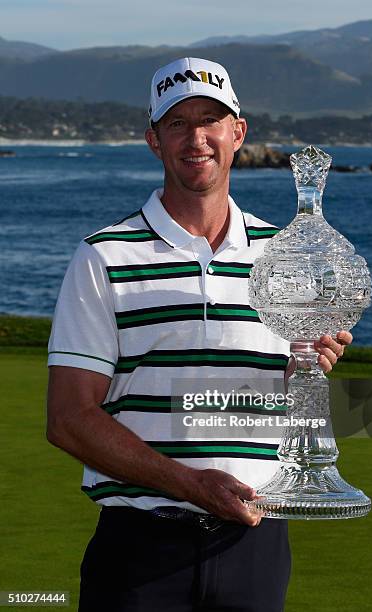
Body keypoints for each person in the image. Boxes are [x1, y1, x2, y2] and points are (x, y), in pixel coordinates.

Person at [47, 57, 352, 612]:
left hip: (256, 549)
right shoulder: (104, 256)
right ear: (154, 140)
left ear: (238, 133)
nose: (197, 138)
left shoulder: (286, 255)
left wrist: (299, 375)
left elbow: (286, 409)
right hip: (139, 554)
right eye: (177, 123)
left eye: (211, 120)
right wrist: (191, 486)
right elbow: (68, 420)